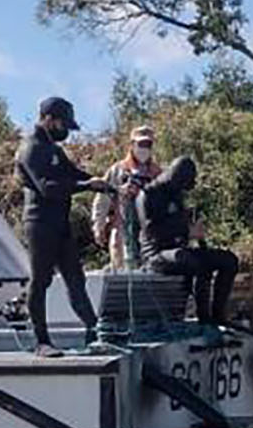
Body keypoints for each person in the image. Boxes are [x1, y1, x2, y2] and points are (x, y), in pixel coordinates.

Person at [15, 96, 108, 356]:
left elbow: (73, 174)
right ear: (48, 119)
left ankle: (94, 331)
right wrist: (86, 186)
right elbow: (47, 188)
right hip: (39, 223)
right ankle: (41, 341)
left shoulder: (53, 148)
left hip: (60, 223)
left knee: (75, 279)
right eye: (62, 124)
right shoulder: (31, 147)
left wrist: (103, 184)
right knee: (41, 280)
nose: (65, 130)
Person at [135, 155, 240, 324]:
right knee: (194, 263)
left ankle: (219, 316)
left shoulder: (176, 194)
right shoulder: (148, 195)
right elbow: (153, 231)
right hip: (156, 256)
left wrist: (202, 244)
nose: (183, 189)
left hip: (180, 250)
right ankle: (203, 317)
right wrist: (188, 231)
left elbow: (186, 225)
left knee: (228, 260)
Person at [95, 124, 159, 270]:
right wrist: (98, 225)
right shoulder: (118, 169)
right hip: (122, 231)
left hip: (148, 233)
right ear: (132, 144)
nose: (144, 147)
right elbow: (102, 198)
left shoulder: (157, 172)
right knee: (122, 269)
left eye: (148, 144)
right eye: (141, 143)